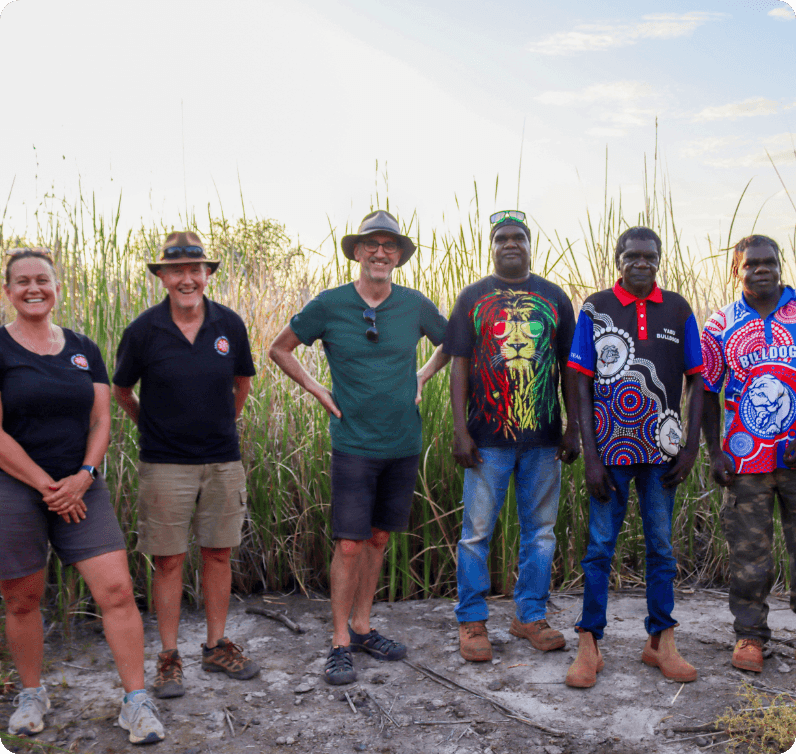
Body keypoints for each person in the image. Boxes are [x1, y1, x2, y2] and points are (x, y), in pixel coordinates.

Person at [268, 210, 449, 685]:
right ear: (356, 251)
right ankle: (339, 643)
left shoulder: (414, 305)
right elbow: (280, 348)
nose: (380, 253)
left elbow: (452, 342)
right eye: (371, 244)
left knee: (379, 538)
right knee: (349, 543)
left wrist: (422, 375)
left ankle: (364, 626)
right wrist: (316, 389)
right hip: (353, 443)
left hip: (402, 442)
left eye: (389, 246)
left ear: (398, 257)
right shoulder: (329, 305)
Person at [0, 248, 164, 744]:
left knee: (115, 591)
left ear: (56, 286)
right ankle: (32, 693)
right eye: (22, 281)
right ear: (8, 291)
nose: (34, 288)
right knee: (23, 597)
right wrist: (47, 486)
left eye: (43, 280)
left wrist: (84, 475)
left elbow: (102, 418)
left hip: (82, 485)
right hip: (15, 484)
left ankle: (136, 701)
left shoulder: (82, 347)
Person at [113, 232, 258, 699]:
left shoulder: (229, 325)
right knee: (169, 561)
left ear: (208, 274)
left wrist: (220, 426)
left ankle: (216, 646)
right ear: (162, 276)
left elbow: (241, 384)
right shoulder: (143, 330)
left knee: (218, 554)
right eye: (176, 270)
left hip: (222, 462)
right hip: (164, 466)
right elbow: (121, 391)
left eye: (196, 269)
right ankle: (169, 657)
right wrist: (151, 428)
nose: (187, 278)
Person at [565, 226, 703, 688]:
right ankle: (590, 642)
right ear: (617, 259)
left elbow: (697, 379)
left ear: (659, 259)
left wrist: (691, 446)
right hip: (611, 452)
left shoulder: (679, 308)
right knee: (600, 546)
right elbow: (579, 381)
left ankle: (660, 639)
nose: (641, 263)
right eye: (632, 256)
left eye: (649, 256)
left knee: (662, 547)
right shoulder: (595, 307)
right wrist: (591, 456)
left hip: (662, 453)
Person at [443, 209, 580, 663]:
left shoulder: (556, 297)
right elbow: (459, 364)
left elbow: (569, 370)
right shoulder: (472, 297)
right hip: (487, 440)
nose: (510, 244)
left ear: (529, 243)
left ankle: (529, 615)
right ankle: (472, 620)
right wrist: (461, 430)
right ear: (492, 246)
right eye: (501, 238)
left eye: (518, 236)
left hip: (543, 439)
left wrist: (572, 427)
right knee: (476, 533)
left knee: (540, 533)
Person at [701, 234, 796, 673]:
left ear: (781, 264)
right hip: (745, 462)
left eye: (770, 261)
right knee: (749, 555)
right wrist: (714, 452)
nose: (762, 269)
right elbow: (705, 392)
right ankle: (750, 637)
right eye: (751, 263)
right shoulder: (720, 325)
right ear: (736, 271)